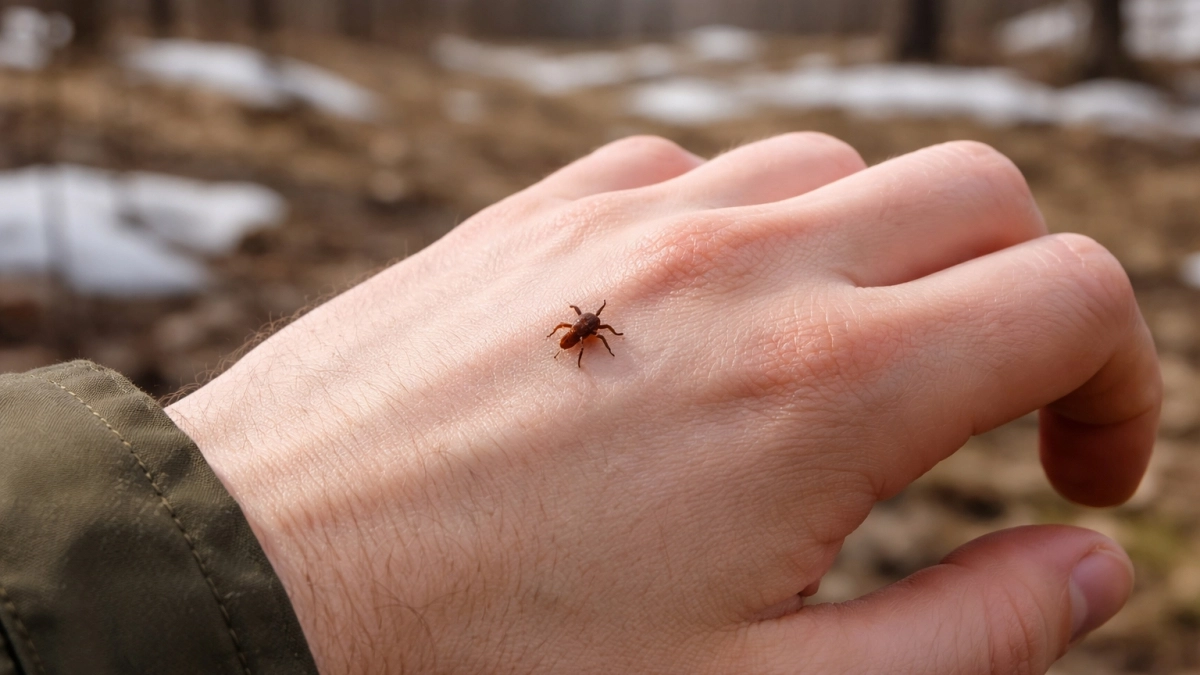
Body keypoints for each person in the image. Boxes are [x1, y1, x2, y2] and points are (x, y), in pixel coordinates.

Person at [0, 133, 1161, 674]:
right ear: (587, 327)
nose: (591, 336)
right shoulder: (590, 332)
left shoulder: (592, 326)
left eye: (593, 328)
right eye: (589, 329)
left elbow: (590, 330)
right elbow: (587, 337)